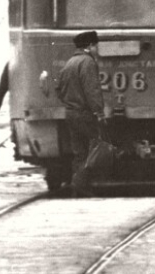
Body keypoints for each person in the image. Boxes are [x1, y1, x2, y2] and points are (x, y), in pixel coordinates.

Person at [57, 30, 103, 194]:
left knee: (79, 152)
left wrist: (69, 103)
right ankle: (81, 183)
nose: (97, 49)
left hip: (70, 113)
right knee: (96, 147)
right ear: (90, 46)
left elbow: (58, 89)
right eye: (96, 46)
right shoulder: (88, 62)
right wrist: (98, 111)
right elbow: (92, 90)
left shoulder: (70, 62)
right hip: (85, 114)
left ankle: (79, 187)